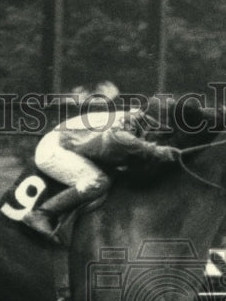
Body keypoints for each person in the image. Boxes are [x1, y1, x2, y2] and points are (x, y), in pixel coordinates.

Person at [22, 95, 181, 241]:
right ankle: (41, 214)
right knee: (98, 181)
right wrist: (154, 150)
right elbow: (117, 138)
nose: (159, 134)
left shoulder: (136, 122)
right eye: (157, 128)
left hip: (72, 146)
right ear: (145, 117)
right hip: (55, 148)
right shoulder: (127, 120)